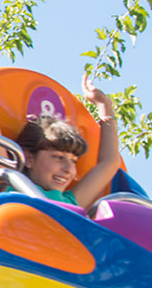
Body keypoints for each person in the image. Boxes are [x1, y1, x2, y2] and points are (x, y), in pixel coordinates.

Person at [15, 76, 121, 208]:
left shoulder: (67, 203)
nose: (68, 169)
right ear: (28, 158)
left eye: (73, 161)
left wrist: (104, 105)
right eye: (58, 157)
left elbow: (110, 163)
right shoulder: (9, 187)